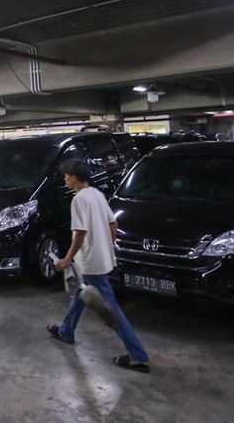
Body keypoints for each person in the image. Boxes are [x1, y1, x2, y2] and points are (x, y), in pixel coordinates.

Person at [47, 159, 151, 374]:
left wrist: (66, 259)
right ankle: (66, 331)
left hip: (92, 263)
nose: (65, 179)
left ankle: (137, 355)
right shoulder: (97, 194)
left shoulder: (79, 200)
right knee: (80, 294)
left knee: (110, 309)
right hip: (101, 258)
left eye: (66, 175)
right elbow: (113, 224)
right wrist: (105, 245)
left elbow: (80, 233)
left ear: (74, 177)